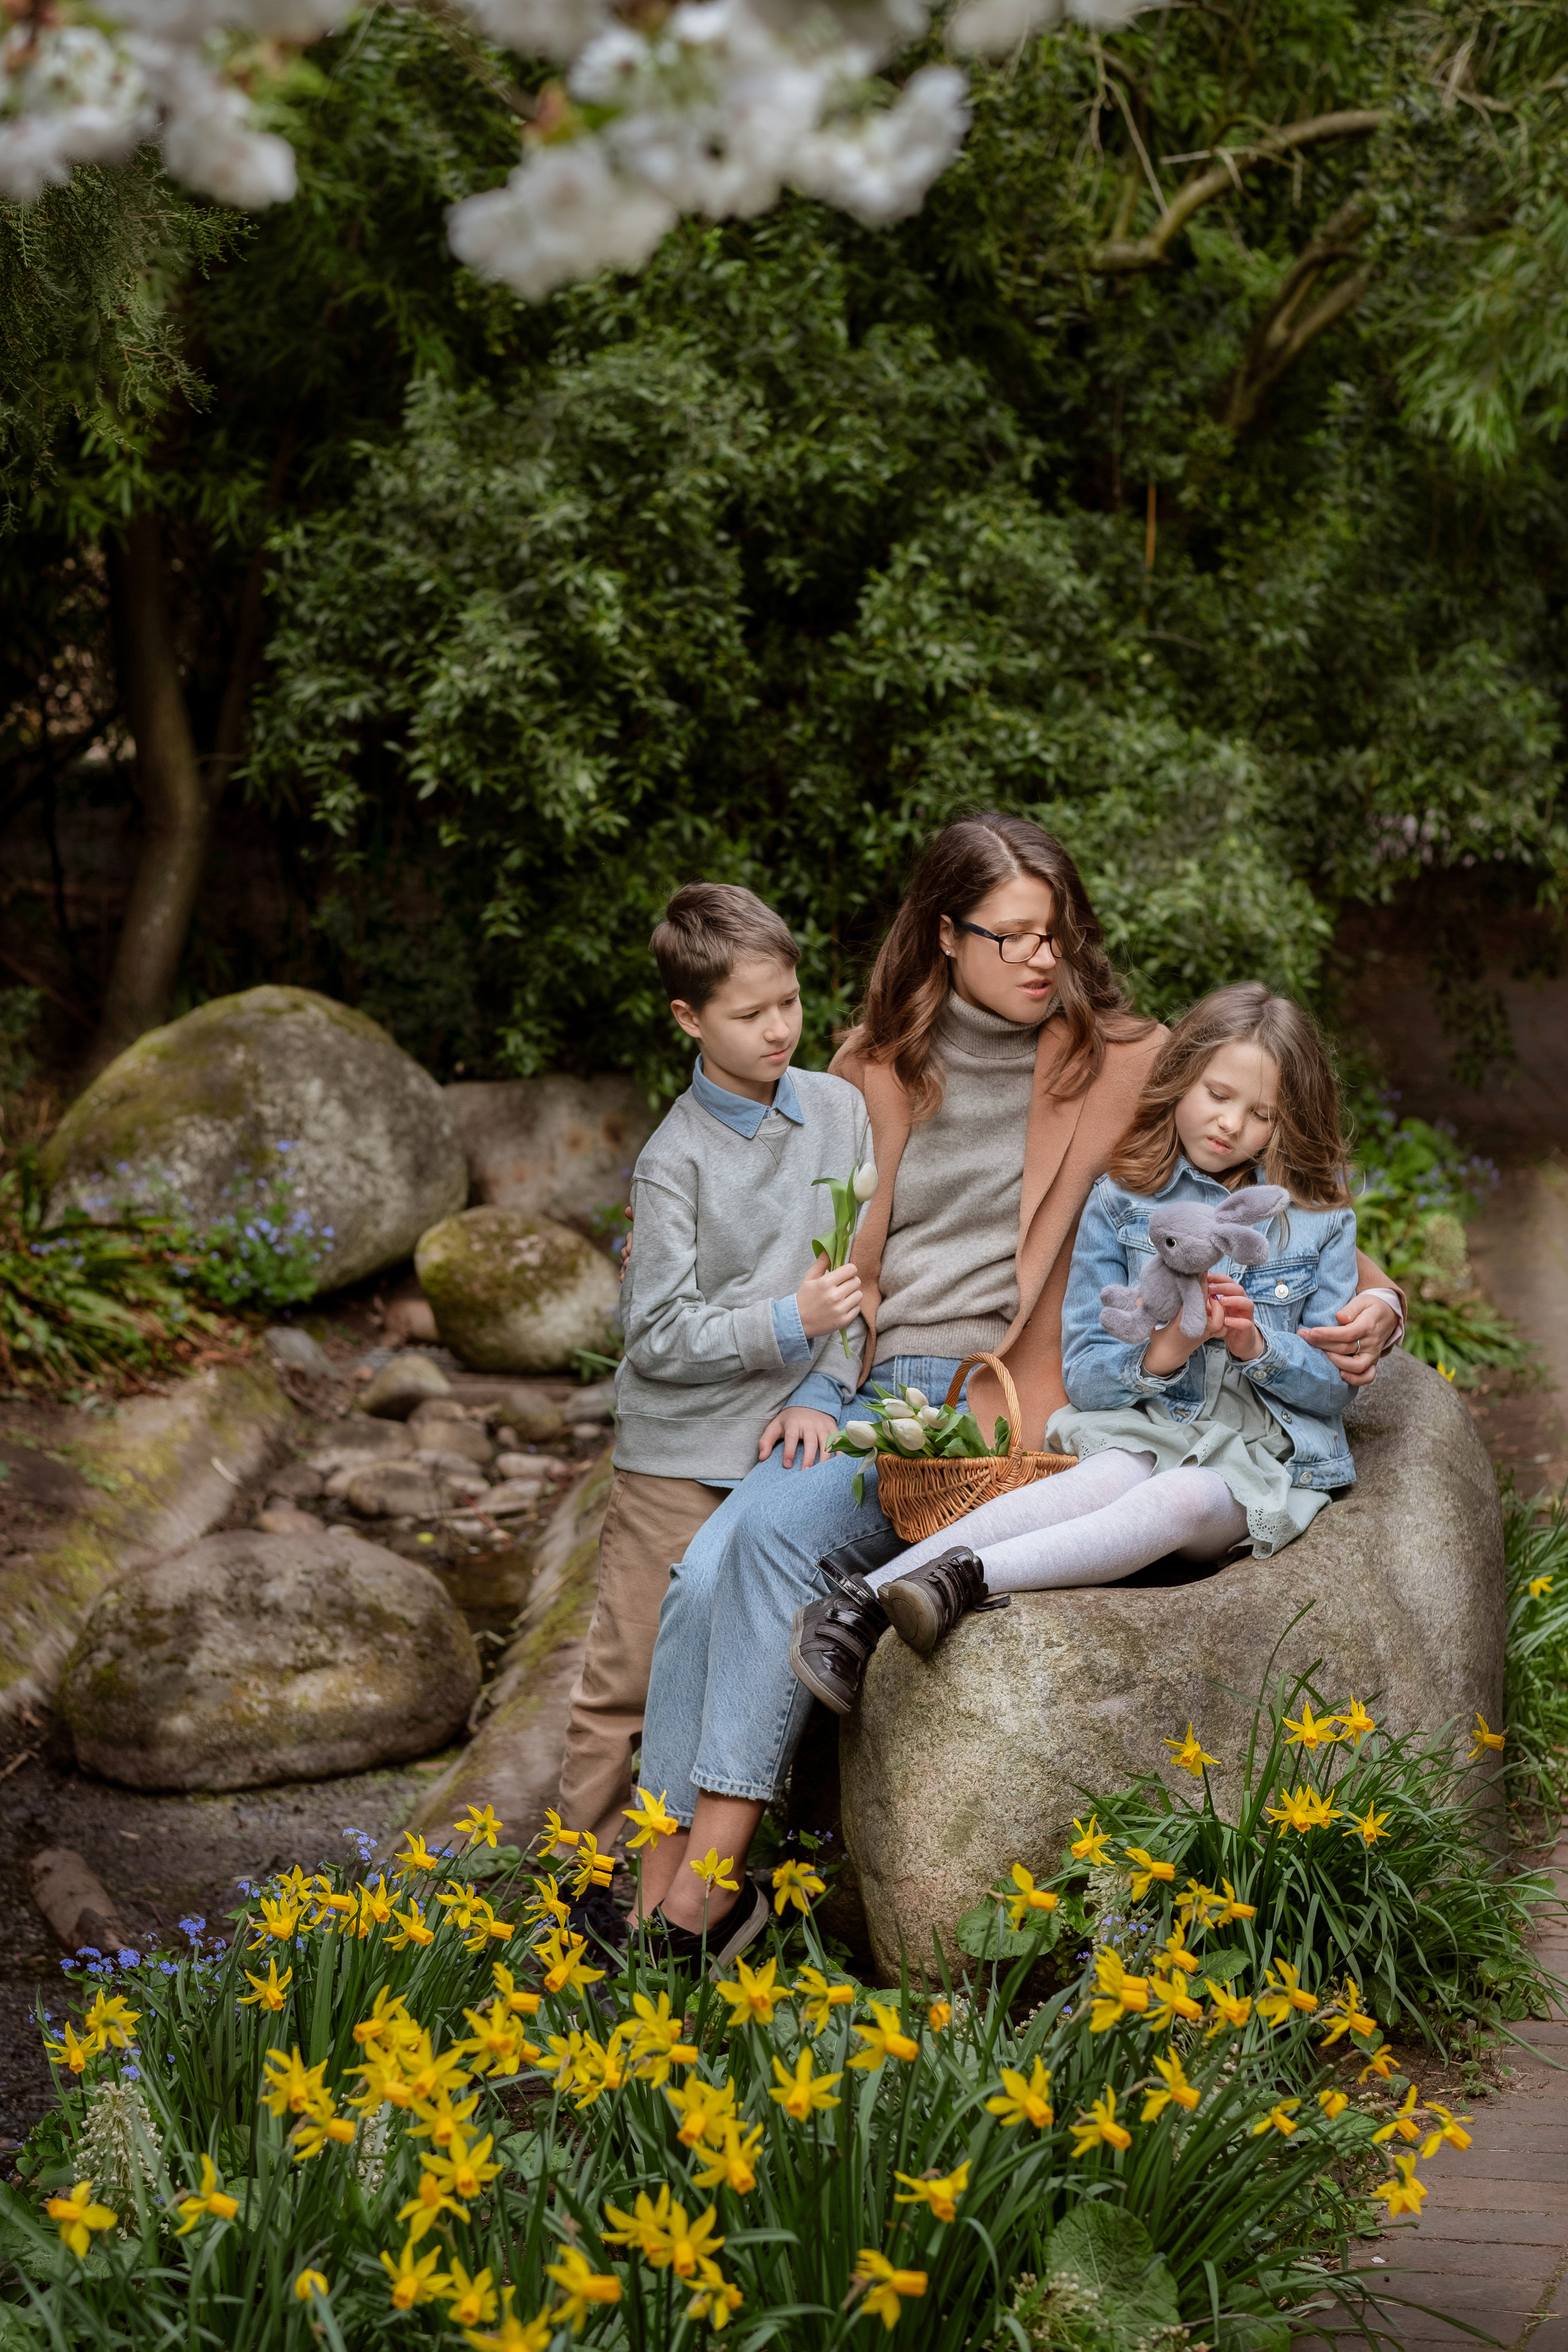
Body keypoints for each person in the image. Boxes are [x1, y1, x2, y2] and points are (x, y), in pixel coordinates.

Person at [630, 815, 1405, 1967]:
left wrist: (1383, 1302)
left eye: (1059, 933)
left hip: (1006, 1409)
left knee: (761, 1551)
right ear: (946, 935)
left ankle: (695, 1910)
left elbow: (1278, 1193)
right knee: (706, 1571)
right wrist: (815, 1384)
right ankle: (662, 1901)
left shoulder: (1129, 1060)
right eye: (1016, 936)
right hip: (874, 1396)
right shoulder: (866, 1069)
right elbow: (826, 1259)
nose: (1046, 958)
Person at [858, 982, 1362, 1651]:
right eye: (1217, 1094)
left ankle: (961, 1580)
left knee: (1177, 1500)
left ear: (1288, 1120)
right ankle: (862, 1607)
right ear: (1181, 1078)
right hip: (1147, 1430)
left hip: (1258, 1462)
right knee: (1099, 1481)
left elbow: (1334, 1389)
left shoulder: (1320, 1219)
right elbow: (1089, 1379)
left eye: (1261, 1114)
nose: (1230, 1124)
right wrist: (1165, 1352)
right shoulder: (1122, 1199)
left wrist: (1256, 1346)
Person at [554, 881, 869, 1882]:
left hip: (793, 1443)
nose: (779, 1028)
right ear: (689, 1019)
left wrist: (822, 1386)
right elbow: (654, 1337)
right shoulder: (673, 1161)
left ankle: (713, 1879)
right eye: (749, 1013)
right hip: (681, 1451)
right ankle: (585, 1890)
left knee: (750, 1659)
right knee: (632, 1677)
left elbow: (862, 1285)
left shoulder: (841, 1111)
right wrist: (789, 1323)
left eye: (790, 1002)